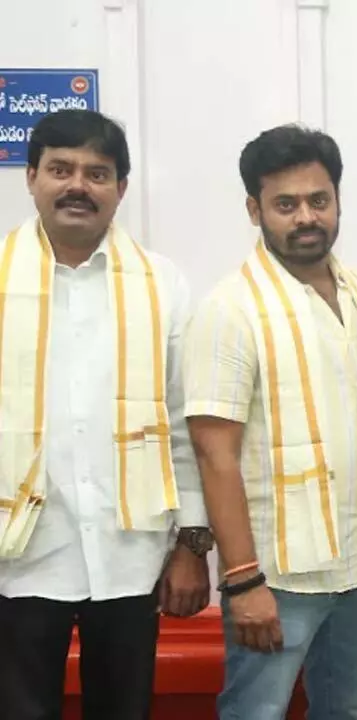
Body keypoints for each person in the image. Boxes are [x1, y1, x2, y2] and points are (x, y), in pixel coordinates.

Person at [0, 109, 212, 720]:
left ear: (121, 188)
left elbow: (184, 423)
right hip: (17, 554)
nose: (78, 185)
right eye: (60, 169)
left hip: (130, 552)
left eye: (97, 173)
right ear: (31, 177)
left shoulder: (162, 284)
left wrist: (192, 543)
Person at [184, 124, 357, 719]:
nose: (306, 217)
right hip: (277, 579)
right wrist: (242, 580)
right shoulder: (231, 309)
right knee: (255, 713)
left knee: (349, 712)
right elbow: (214, 454)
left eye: (318, 200)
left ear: (337, 201)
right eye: (286, 204)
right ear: (255, 210)